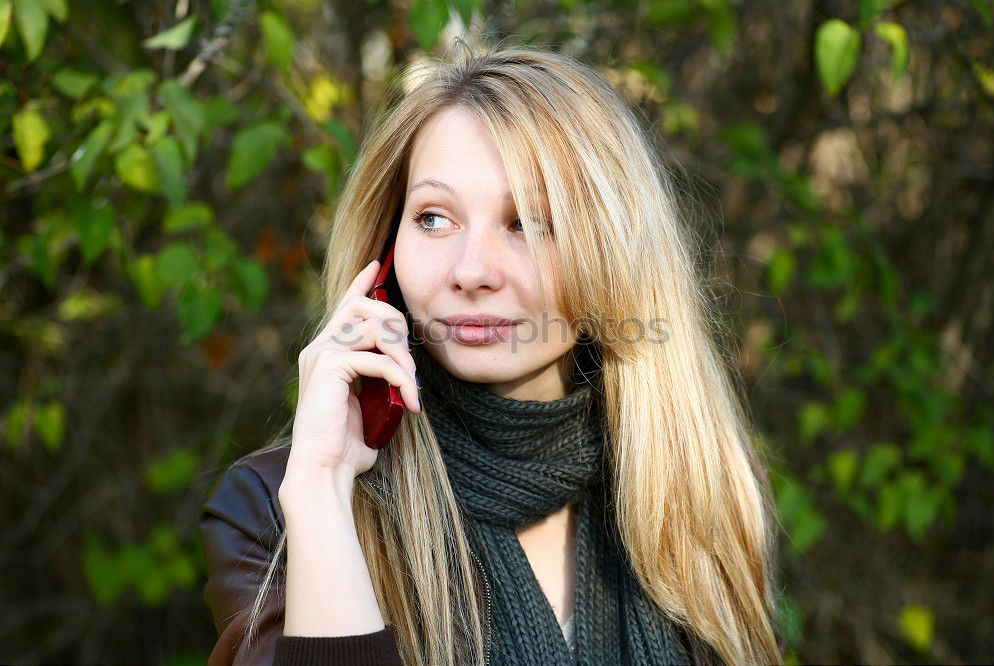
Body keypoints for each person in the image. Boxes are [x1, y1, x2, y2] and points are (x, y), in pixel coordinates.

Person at [199, 35, 785, 666]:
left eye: (531, 223)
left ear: (614, 255)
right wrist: (320, 489)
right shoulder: (275, 507)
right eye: (433, 218)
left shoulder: (696, 492)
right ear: (385, 250)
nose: (473, 270)